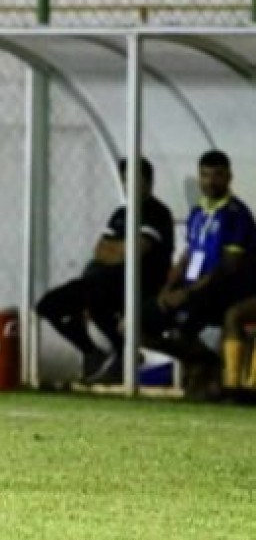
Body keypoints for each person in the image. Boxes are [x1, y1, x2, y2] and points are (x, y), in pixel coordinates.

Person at [36, 158, 174, 385]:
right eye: (125, 181)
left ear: (148, 182)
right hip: (103, 282)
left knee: (93, 302)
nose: (130, 186)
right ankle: (94, 352)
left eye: (135, 180)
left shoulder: (157, 213)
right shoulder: (120, 213)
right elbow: (100, 250)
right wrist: (119, 250)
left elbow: (133, 252)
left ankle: (124, 356)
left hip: (139, 285)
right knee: (48, 305)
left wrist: (118, 250)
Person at [141, 150, 255, 399]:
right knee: (136, 325)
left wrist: (188, 293)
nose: (210, 181)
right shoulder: (197, 212)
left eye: (217, 175)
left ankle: (220, 379)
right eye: (205, 175)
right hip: (191, 290)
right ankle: (205, 363)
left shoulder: (237, 215)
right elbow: (187, 256)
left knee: (186, 325)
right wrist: (167, 289)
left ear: (229, 177)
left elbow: (228, 267)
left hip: (217, 291)